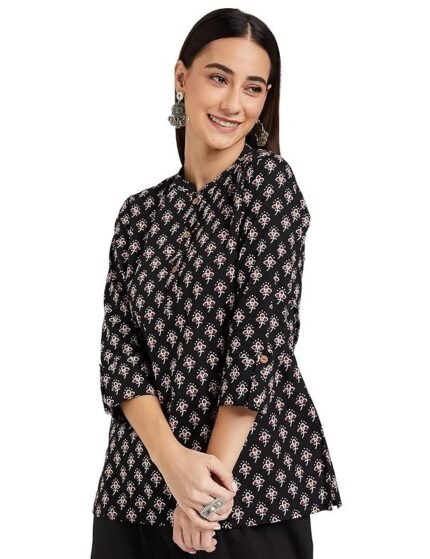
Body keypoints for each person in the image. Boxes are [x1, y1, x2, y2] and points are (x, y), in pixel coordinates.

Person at [90, 7, 342, 558]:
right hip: (135, 489)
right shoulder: (139, 214)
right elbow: (120, 358)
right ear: (182, 78)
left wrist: (204, 498)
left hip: (249, 492)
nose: (233, 104)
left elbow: (258, 346)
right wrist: (173, 467)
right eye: (219, 77)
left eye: (253, 87)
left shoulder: (268, 186)